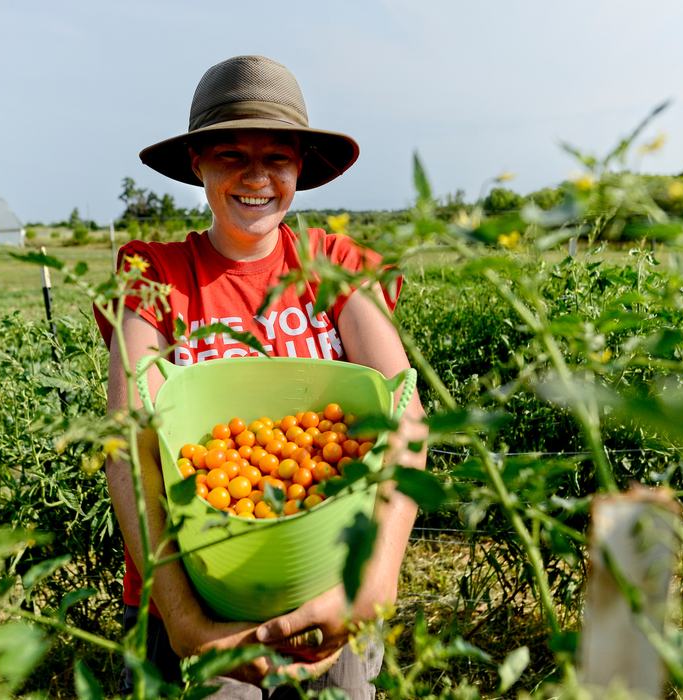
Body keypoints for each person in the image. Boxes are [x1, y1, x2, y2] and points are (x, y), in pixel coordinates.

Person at [97, 55, 427, 698]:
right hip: (200, 590)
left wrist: (374, 583)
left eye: (277, 157)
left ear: (300, 166)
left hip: (331, 586)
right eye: (230, 156)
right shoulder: (154, 276)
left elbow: (405, 415)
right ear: (198, 164)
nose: (256, 177)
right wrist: (188, 625)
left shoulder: (331, 265)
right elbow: (129, 448)